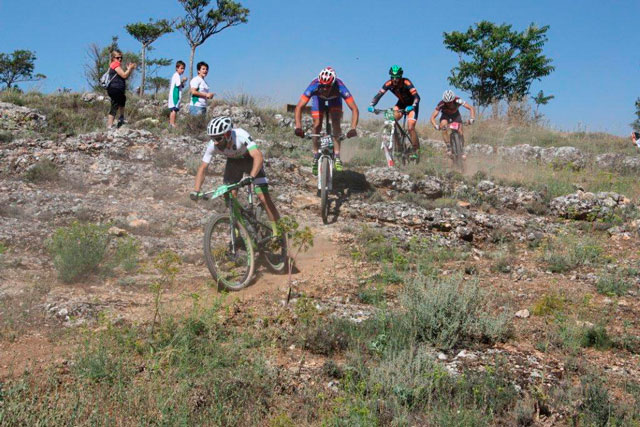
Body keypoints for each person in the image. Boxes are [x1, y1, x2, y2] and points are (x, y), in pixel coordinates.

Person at [191, 116, 280, 224]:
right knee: (229, 196)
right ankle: (240, 228)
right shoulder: (213, 145)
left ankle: (279, 231)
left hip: (250, 161)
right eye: (212, 138)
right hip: (234, 163)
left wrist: (251, 177)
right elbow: (203, 168)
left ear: (227, 135)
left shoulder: (240, 135)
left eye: (218, 138)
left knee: (263, 197)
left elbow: (258, 156)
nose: (215, 142)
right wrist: (196, 190)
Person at [294, 67, 359, 175]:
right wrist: (298, 127)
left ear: (333, 84)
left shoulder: (340, 87)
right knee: (317, 124)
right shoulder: (314, 86)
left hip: (335, 99)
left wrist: (353, 128)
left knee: (336, 122)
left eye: (327, 86)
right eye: (322, 86)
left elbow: (354, 109)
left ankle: (337, 156)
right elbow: (299, 107)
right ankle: (315, 156)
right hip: (318, 99)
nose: (324, 88)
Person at [367, 65, 421, 158]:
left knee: (410, 127)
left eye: (397, 77)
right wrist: (372, 105)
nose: (395, 80)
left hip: (412, 104)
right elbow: (379, 95)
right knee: (391, 119)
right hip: (401, 103)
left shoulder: (406, 82)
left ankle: (416, 150)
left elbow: (417, 97)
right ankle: (398, 146)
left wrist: (413, 106)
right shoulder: (388, 84)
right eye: (393, 77)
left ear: (400, 77)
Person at [429, 90, 476, 158]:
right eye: (447, 102)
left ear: (453, 100)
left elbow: (470, 108)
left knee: (460, 131)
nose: (449, 104)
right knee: (443, 126)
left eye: (450, 102)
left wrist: (472, 118)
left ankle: (461, 149)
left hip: (456, 116)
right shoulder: (441, 104)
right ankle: (448, 147)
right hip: (445, 116)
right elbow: (432, 117)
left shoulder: (458, 100)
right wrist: (435, 125)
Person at [106, 50, 136, 129]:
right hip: (115, 88)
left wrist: (129, 69)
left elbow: (125, 76)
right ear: (113, 58)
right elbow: (124, 75)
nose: (120, 59)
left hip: (118, 89)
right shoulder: (115, 65)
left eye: (121, 58)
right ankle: (109, 125)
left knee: (122, 99)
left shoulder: (116, 65)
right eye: (117, 58)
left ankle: (121, 118)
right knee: (114, 105)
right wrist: (130, 69)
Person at [168, 60, 187, 128]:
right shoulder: (176, 76)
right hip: (175, 95)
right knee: (174, 110)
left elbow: (180, 85)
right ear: (177, 68)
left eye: (183, 68)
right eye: (181, 68)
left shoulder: (176, 76)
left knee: (173, 110)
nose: (183, 70)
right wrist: (183, 80)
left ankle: (171, 123)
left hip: (175, 95)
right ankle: (172, 123)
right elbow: (178, 84)